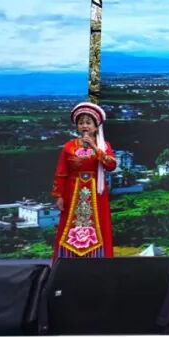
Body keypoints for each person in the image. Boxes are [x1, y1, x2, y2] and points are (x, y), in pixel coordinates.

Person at [52, 102, 117, 261]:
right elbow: (61, 172)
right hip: (72, 193)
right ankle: (68, 263)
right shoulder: (69, 147)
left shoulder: (103, 146)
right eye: (81, 123)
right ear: (77, 126)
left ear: (96, 127)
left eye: (88, 123)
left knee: (98, 225)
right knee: (70, 226)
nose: (85, 126)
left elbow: (111, 165)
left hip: (96, 194)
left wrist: (95, 147)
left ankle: (97, 263)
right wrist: (59, 196)